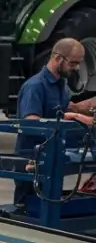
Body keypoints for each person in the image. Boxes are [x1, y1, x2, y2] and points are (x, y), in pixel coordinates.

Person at [14, 37, 96, 207]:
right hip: (33, 158)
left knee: (51, 204)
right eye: (73, 63)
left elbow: (65, 112)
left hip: (54, 157)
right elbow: (30, 123)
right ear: (58, 58)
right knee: (28, 207)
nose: (76, 68)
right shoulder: (35, 86)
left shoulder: (62, 86)